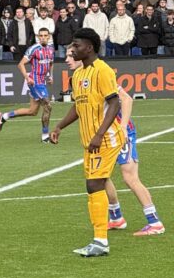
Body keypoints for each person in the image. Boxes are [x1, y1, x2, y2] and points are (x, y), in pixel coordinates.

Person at [61, 48, 164, 237]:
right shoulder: (78, 77)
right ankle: (116, 217)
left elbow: (126, 99)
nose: (67, 59)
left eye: (70, 55)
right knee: (100, 175)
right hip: (102, 136)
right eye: (66, 55)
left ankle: (154, 221)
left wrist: (123, 127)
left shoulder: (99, 73)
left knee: (129, 177)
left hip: (119, 132)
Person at [48, 29, 125, 257]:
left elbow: (115, 103)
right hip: (90, 142)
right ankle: (107, 228)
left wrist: (100, 134)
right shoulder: (79, 75)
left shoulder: (103, 70)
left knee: (94, 185)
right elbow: (78, 106)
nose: (72, 49)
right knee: (93, 185)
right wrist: (59, 126)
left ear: (89, 47)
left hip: (106, 139)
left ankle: (101, 241)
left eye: (77, 45)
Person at [0, 29, 54, 142]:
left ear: (49, 37)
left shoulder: (51, 49)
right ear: (38, 37)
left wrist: (50, 75)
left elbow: (51, 63)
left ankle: (5, 116)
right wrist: (27, 77)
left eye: (45, 36)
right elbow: (21, 64)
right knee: (48, 106)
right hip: (35, 81)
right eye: (41, 36)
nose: (43, 37)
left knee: (32, 111)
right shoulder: (34, 49)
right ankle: (45, 137)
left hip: (42, 81)